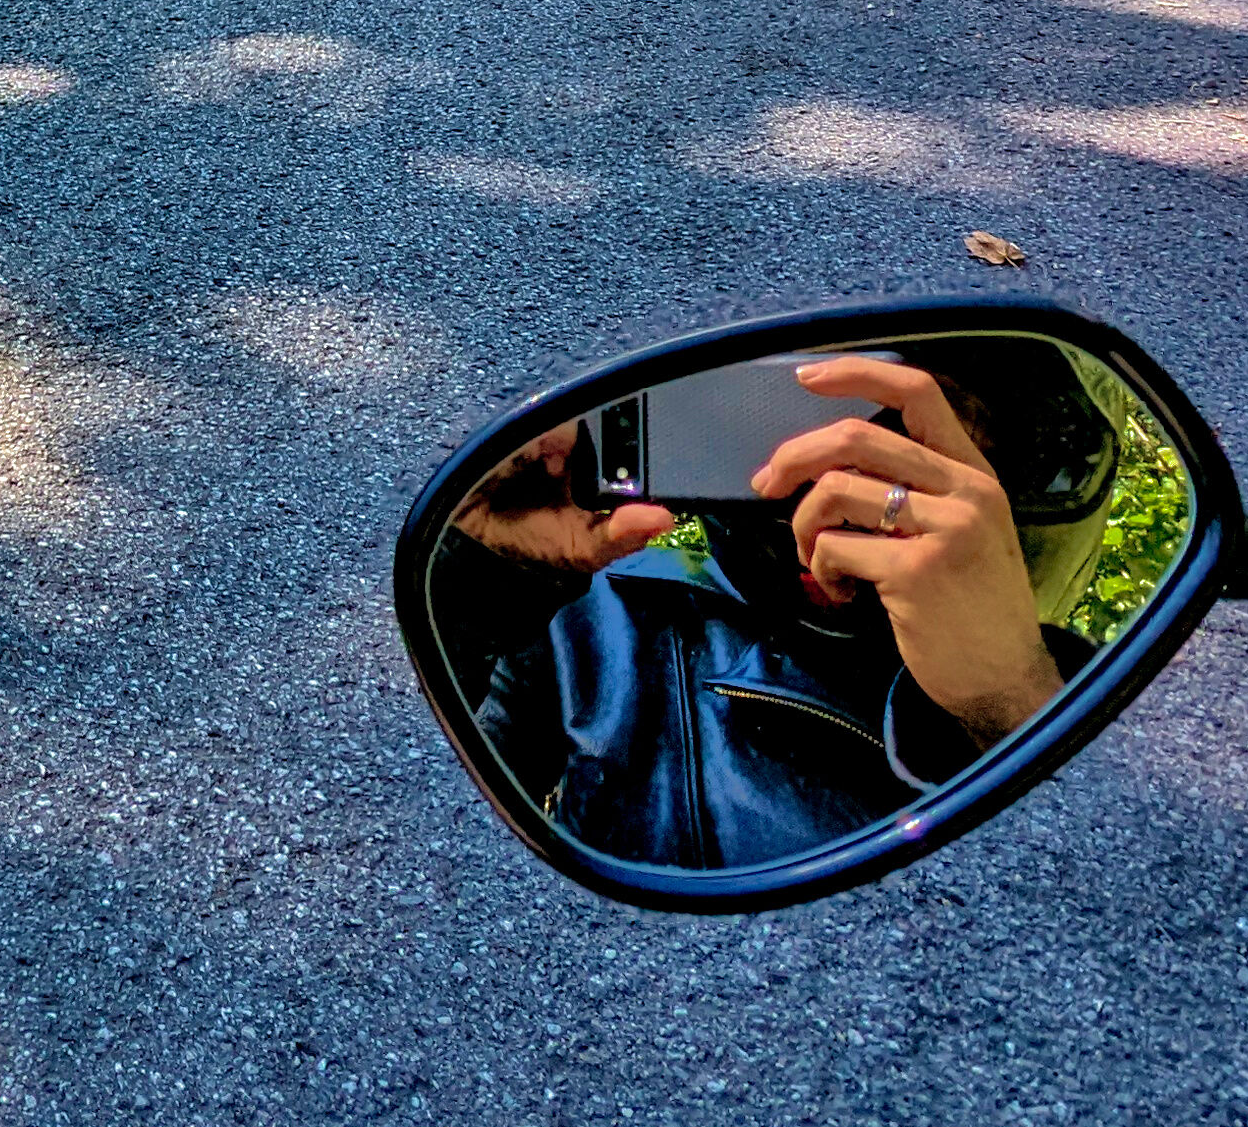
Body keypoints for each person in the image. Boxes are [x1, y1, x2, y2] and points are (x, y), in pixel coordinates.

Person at [436, 344, 1124, 872]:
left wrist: (1008, 702)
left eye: (910, 434)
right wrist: (478, 580)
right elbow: (411, 864)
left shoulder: (1064, 686)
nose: (851, 476)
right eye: (811, 415)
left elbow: (1145, 923)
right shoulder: (591, 621)